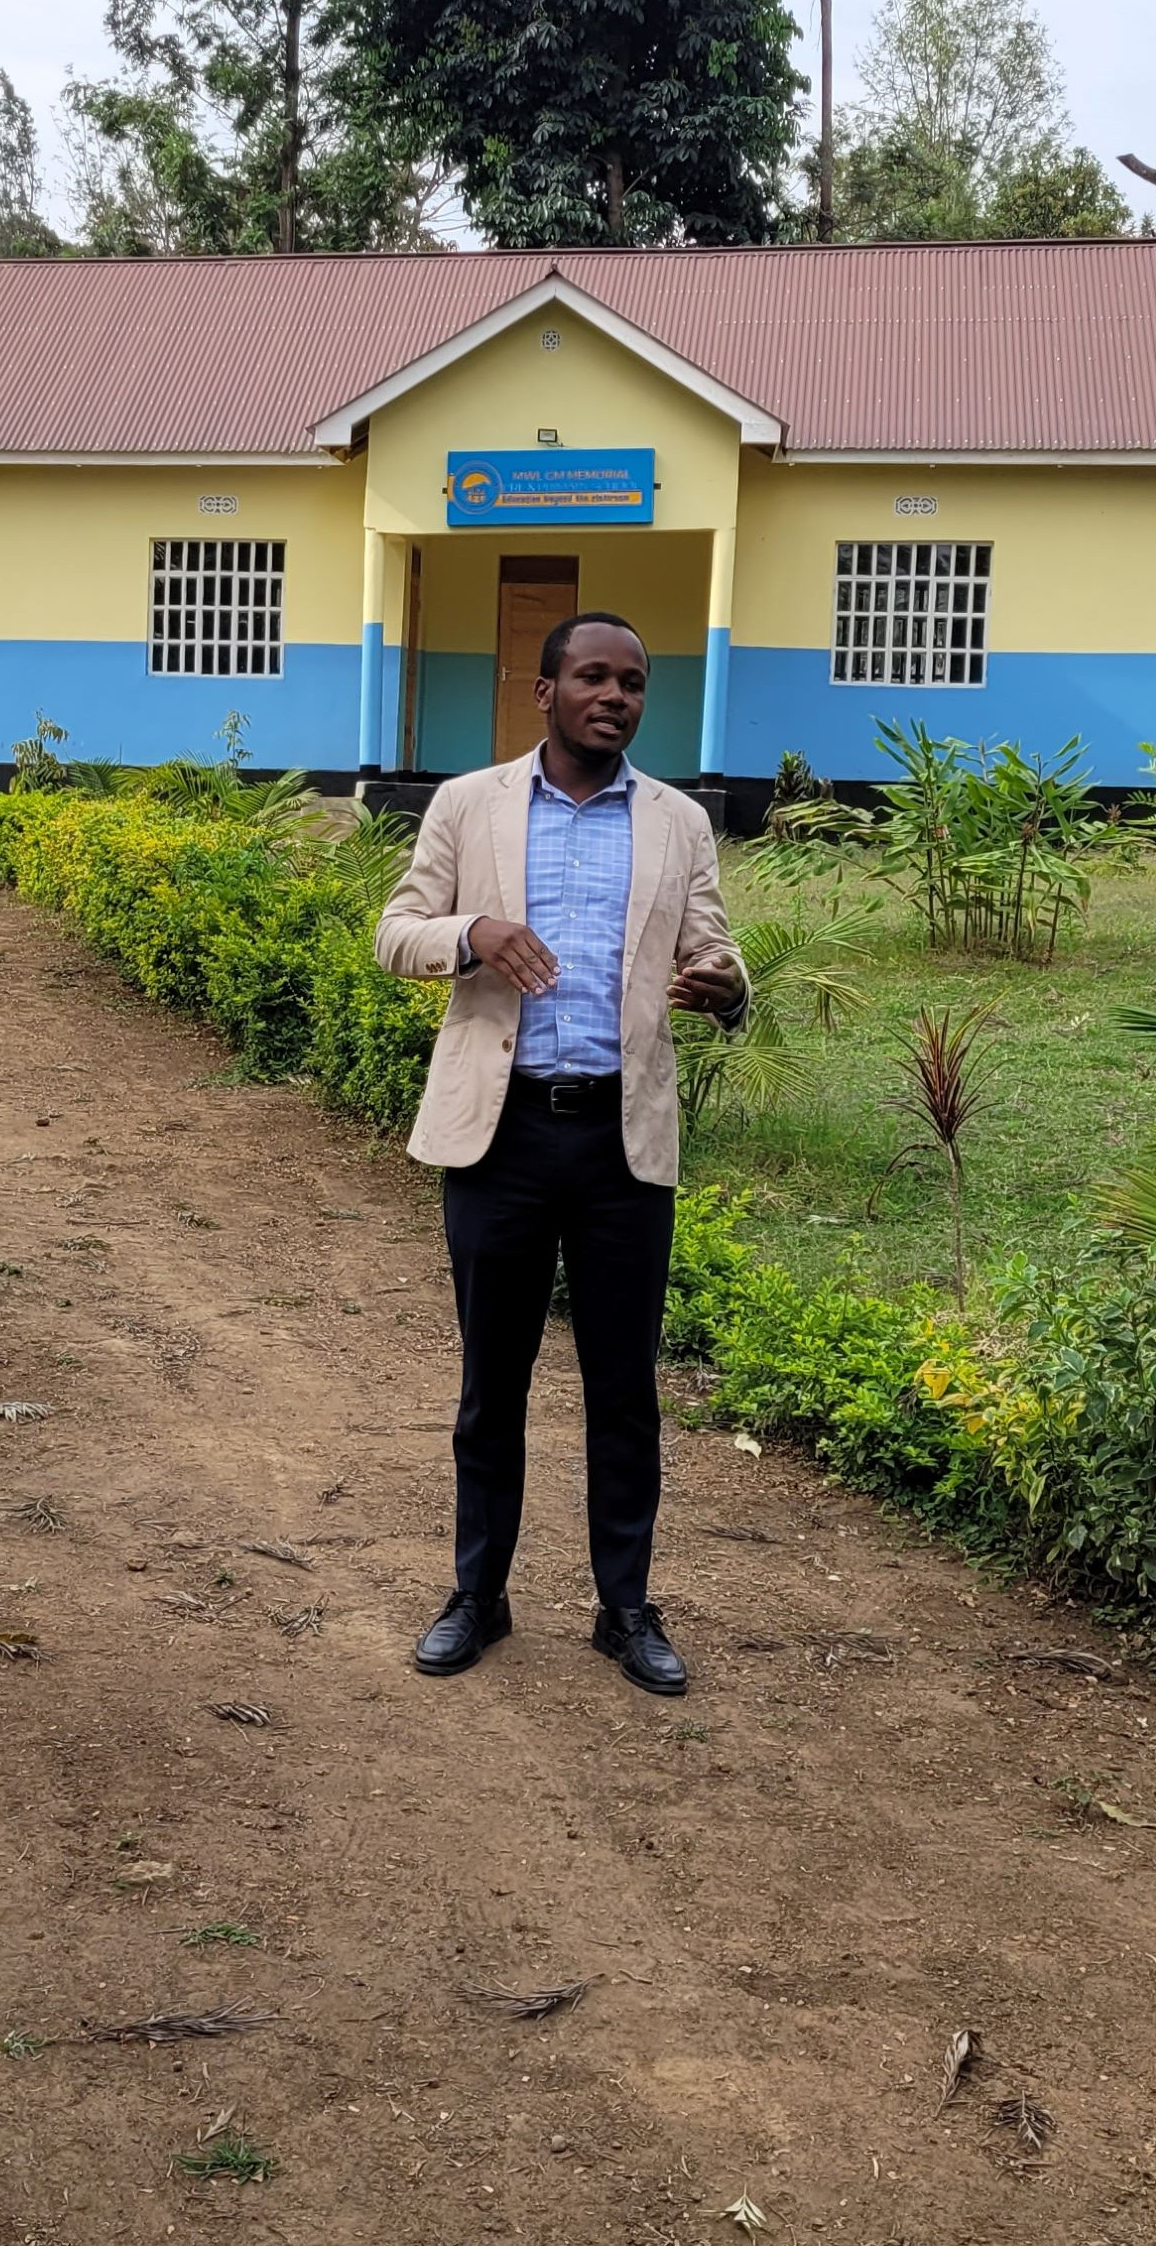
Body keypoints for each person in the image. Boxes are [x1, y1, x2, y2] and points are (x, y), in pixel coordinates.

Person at [374, 612, 747, 1696]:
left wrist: (727, 988)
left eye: (631, 682)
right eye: (592, 677)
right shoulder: (466, 805)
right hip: (502, 1138)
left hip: (621, 1145)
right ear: (544, 691)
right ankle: (476, 1598)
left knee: (624, 1388)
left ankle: (624, 1609)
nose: (614, 697)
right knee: (492, 1384)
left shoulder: (677, 822)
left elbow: (712, 946)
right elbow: (395, 930)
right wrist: (470, 933)